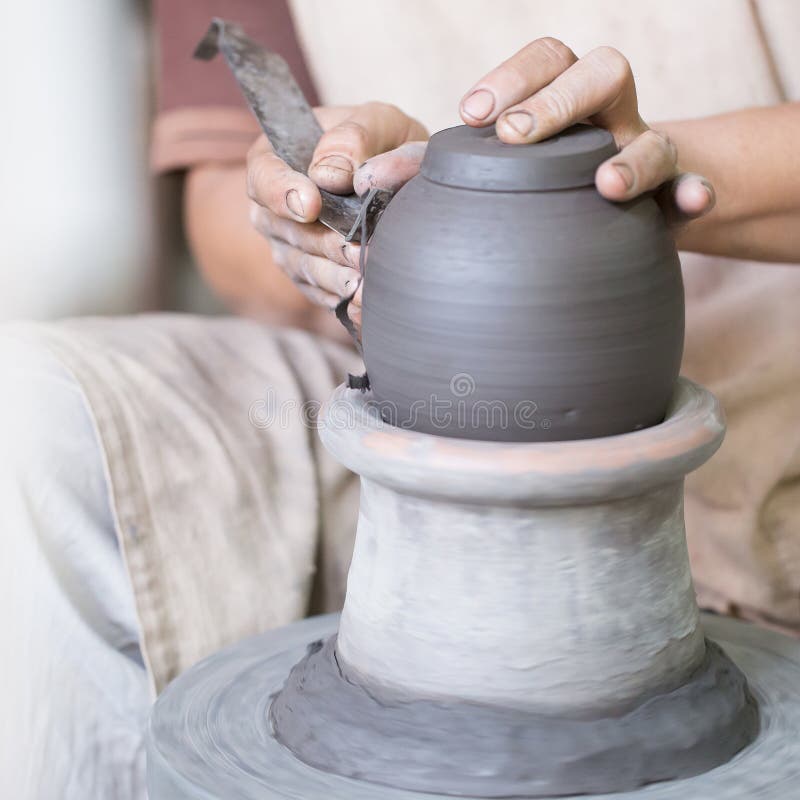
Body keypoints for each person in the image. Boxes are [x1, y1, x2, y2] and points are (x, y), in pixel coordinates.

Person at [2, 1, 798, 797]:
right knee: (32, 425)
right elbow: (218, 208)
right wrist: (336, 207)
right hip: (392, 407)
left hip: (762, 388)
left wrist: (662, 169)